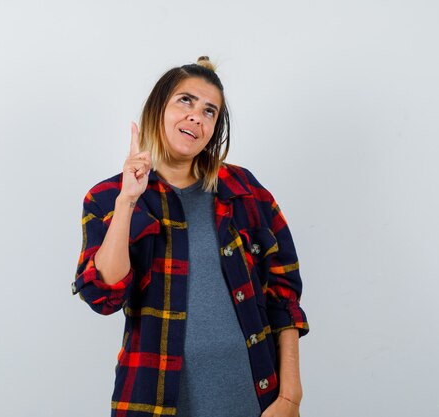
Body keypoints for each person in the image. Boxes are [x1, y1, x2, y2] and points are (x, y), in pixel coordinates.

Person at [71, 56, 310, 417]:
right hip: (155, 400)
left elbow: (284, 294)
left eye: (210, 111)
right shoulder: (107, 197)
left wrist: (290, 397)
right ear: (158, 108)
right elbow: (104, 295)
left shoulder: (245, 191)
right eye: (186, 101)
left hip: (253, 397)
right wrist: (128, 201)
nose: (197, 116)